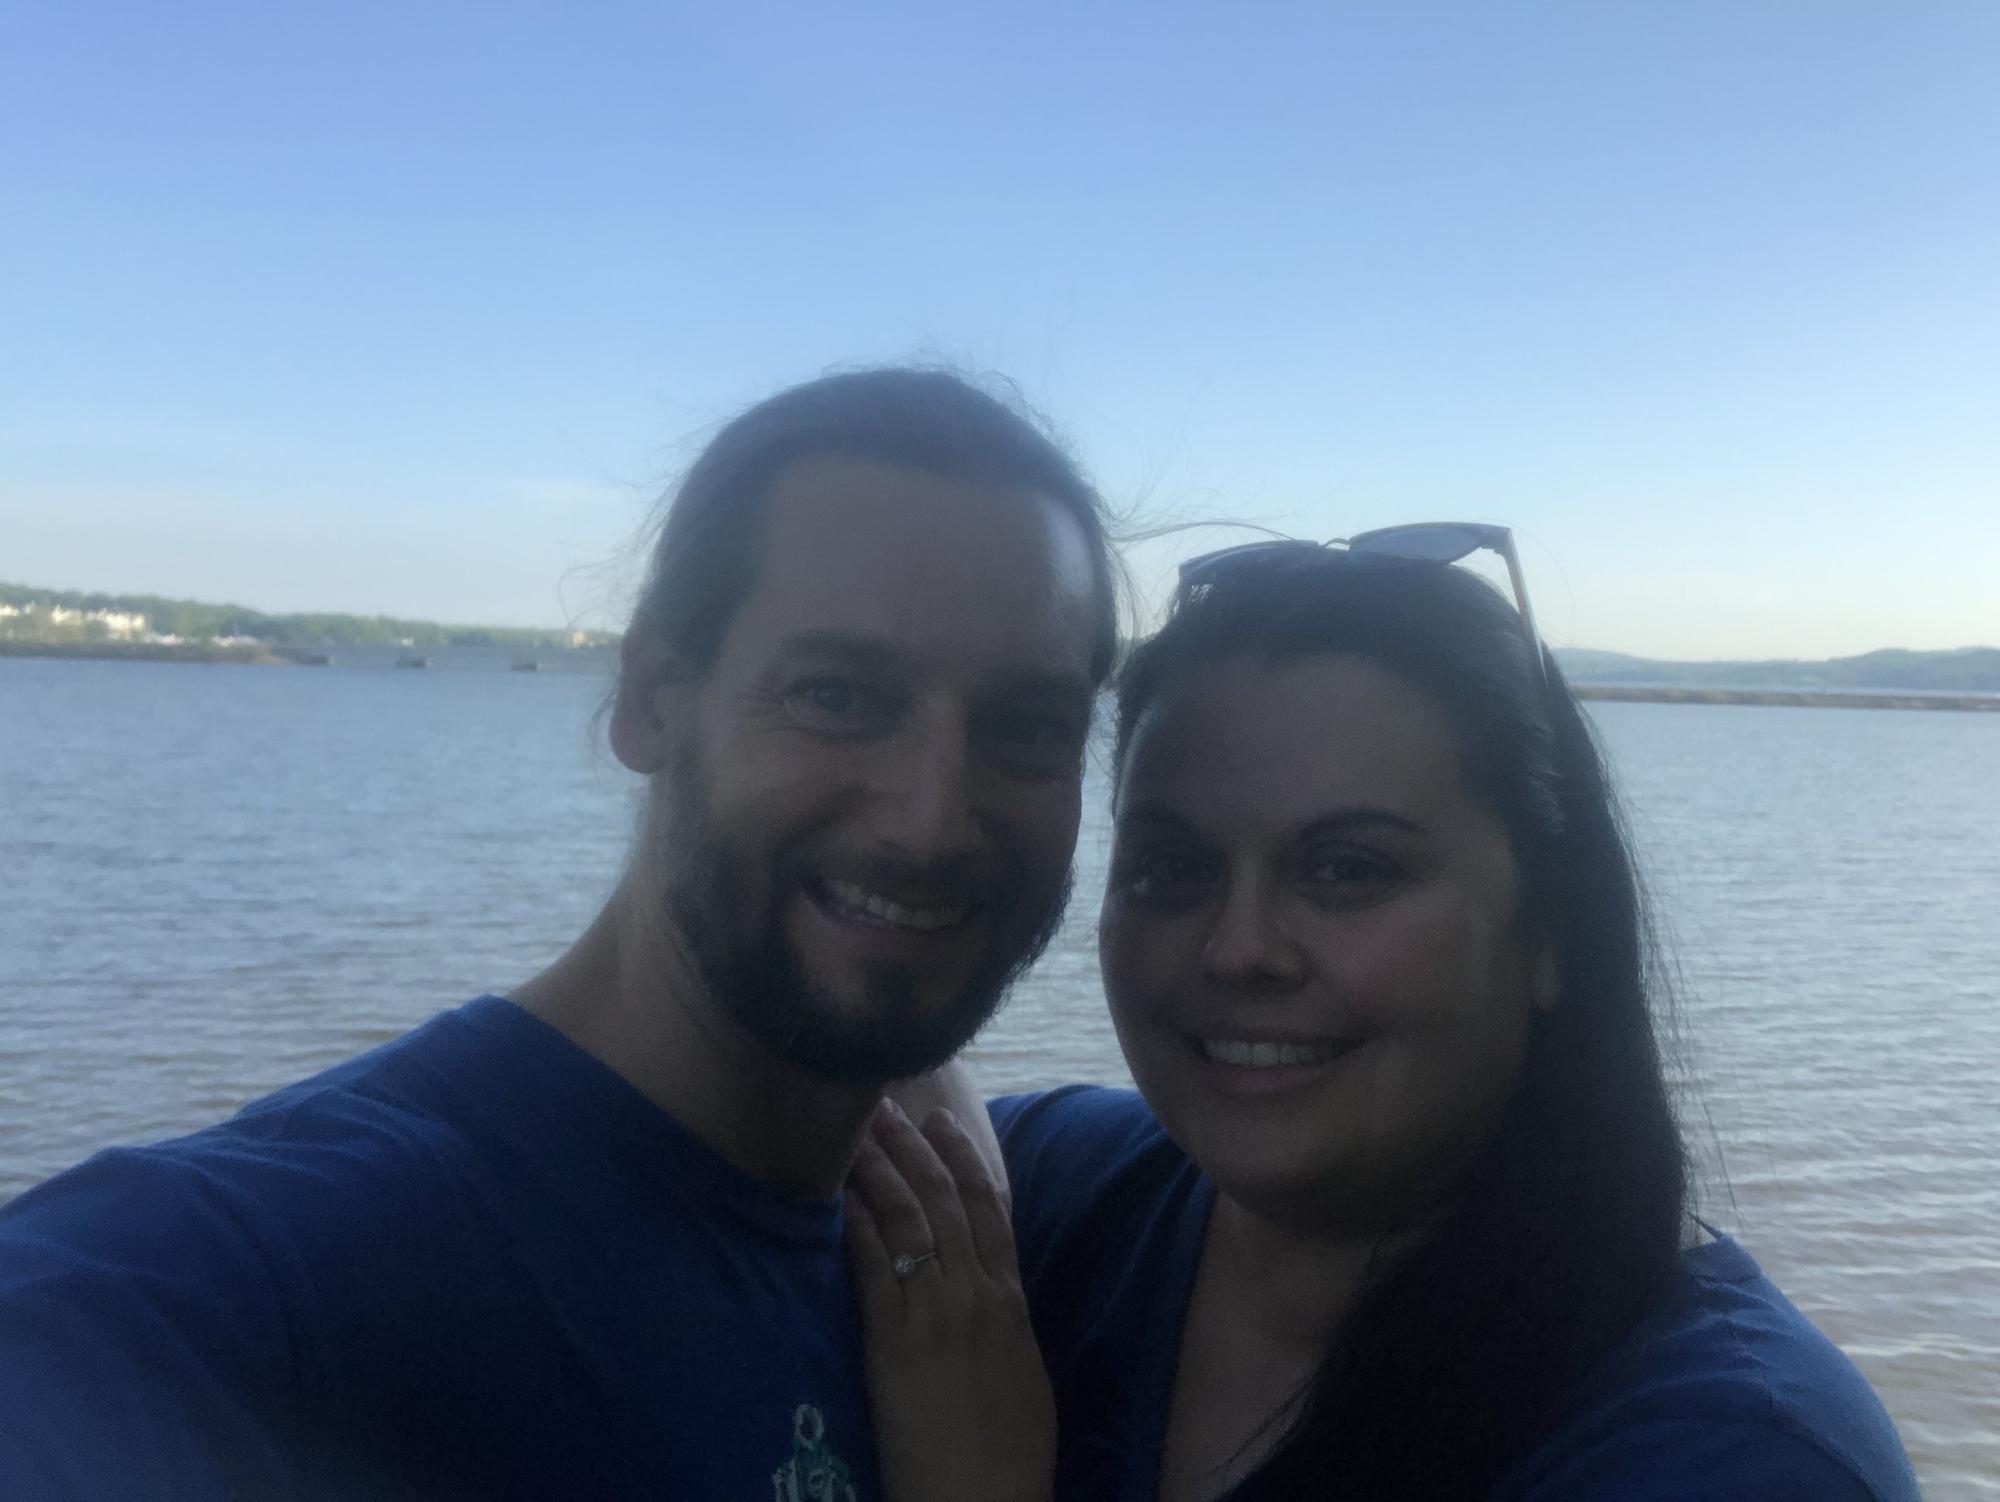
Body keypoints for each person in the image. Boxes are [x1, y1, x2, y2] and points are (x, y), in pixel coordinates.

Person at [0, 367, 1121, 1500]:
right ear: (650, 698)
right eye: (835, 695)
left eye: (1027, 725)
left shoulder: (976, 1236)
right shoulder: (243, 1285)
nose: (931, 822)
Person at [847, 529, 1920, 1500]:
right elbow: (824, 1082)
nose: (1240, 947)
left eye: (1349, 868)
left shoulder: (1730, 1454)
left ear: (1551, 927)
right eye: (1172, 866)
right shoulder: (1044, 1200)